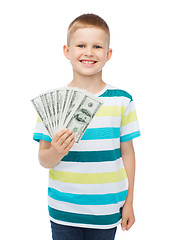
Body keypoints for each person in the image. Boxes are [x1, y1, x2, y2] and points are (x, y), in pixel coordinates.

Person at [33, 13, 140, 240]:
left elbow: (127, 154)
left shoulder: (122, 100)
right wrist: (55, 152)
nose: (89, 52)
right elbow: (43, 159)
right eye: (81, 45)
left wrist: (129, 202)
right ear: (67, 51)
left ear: (108, 54)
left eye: (97, 46)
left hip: (107, 210)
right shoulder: (53, 103)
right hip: (63, 210)